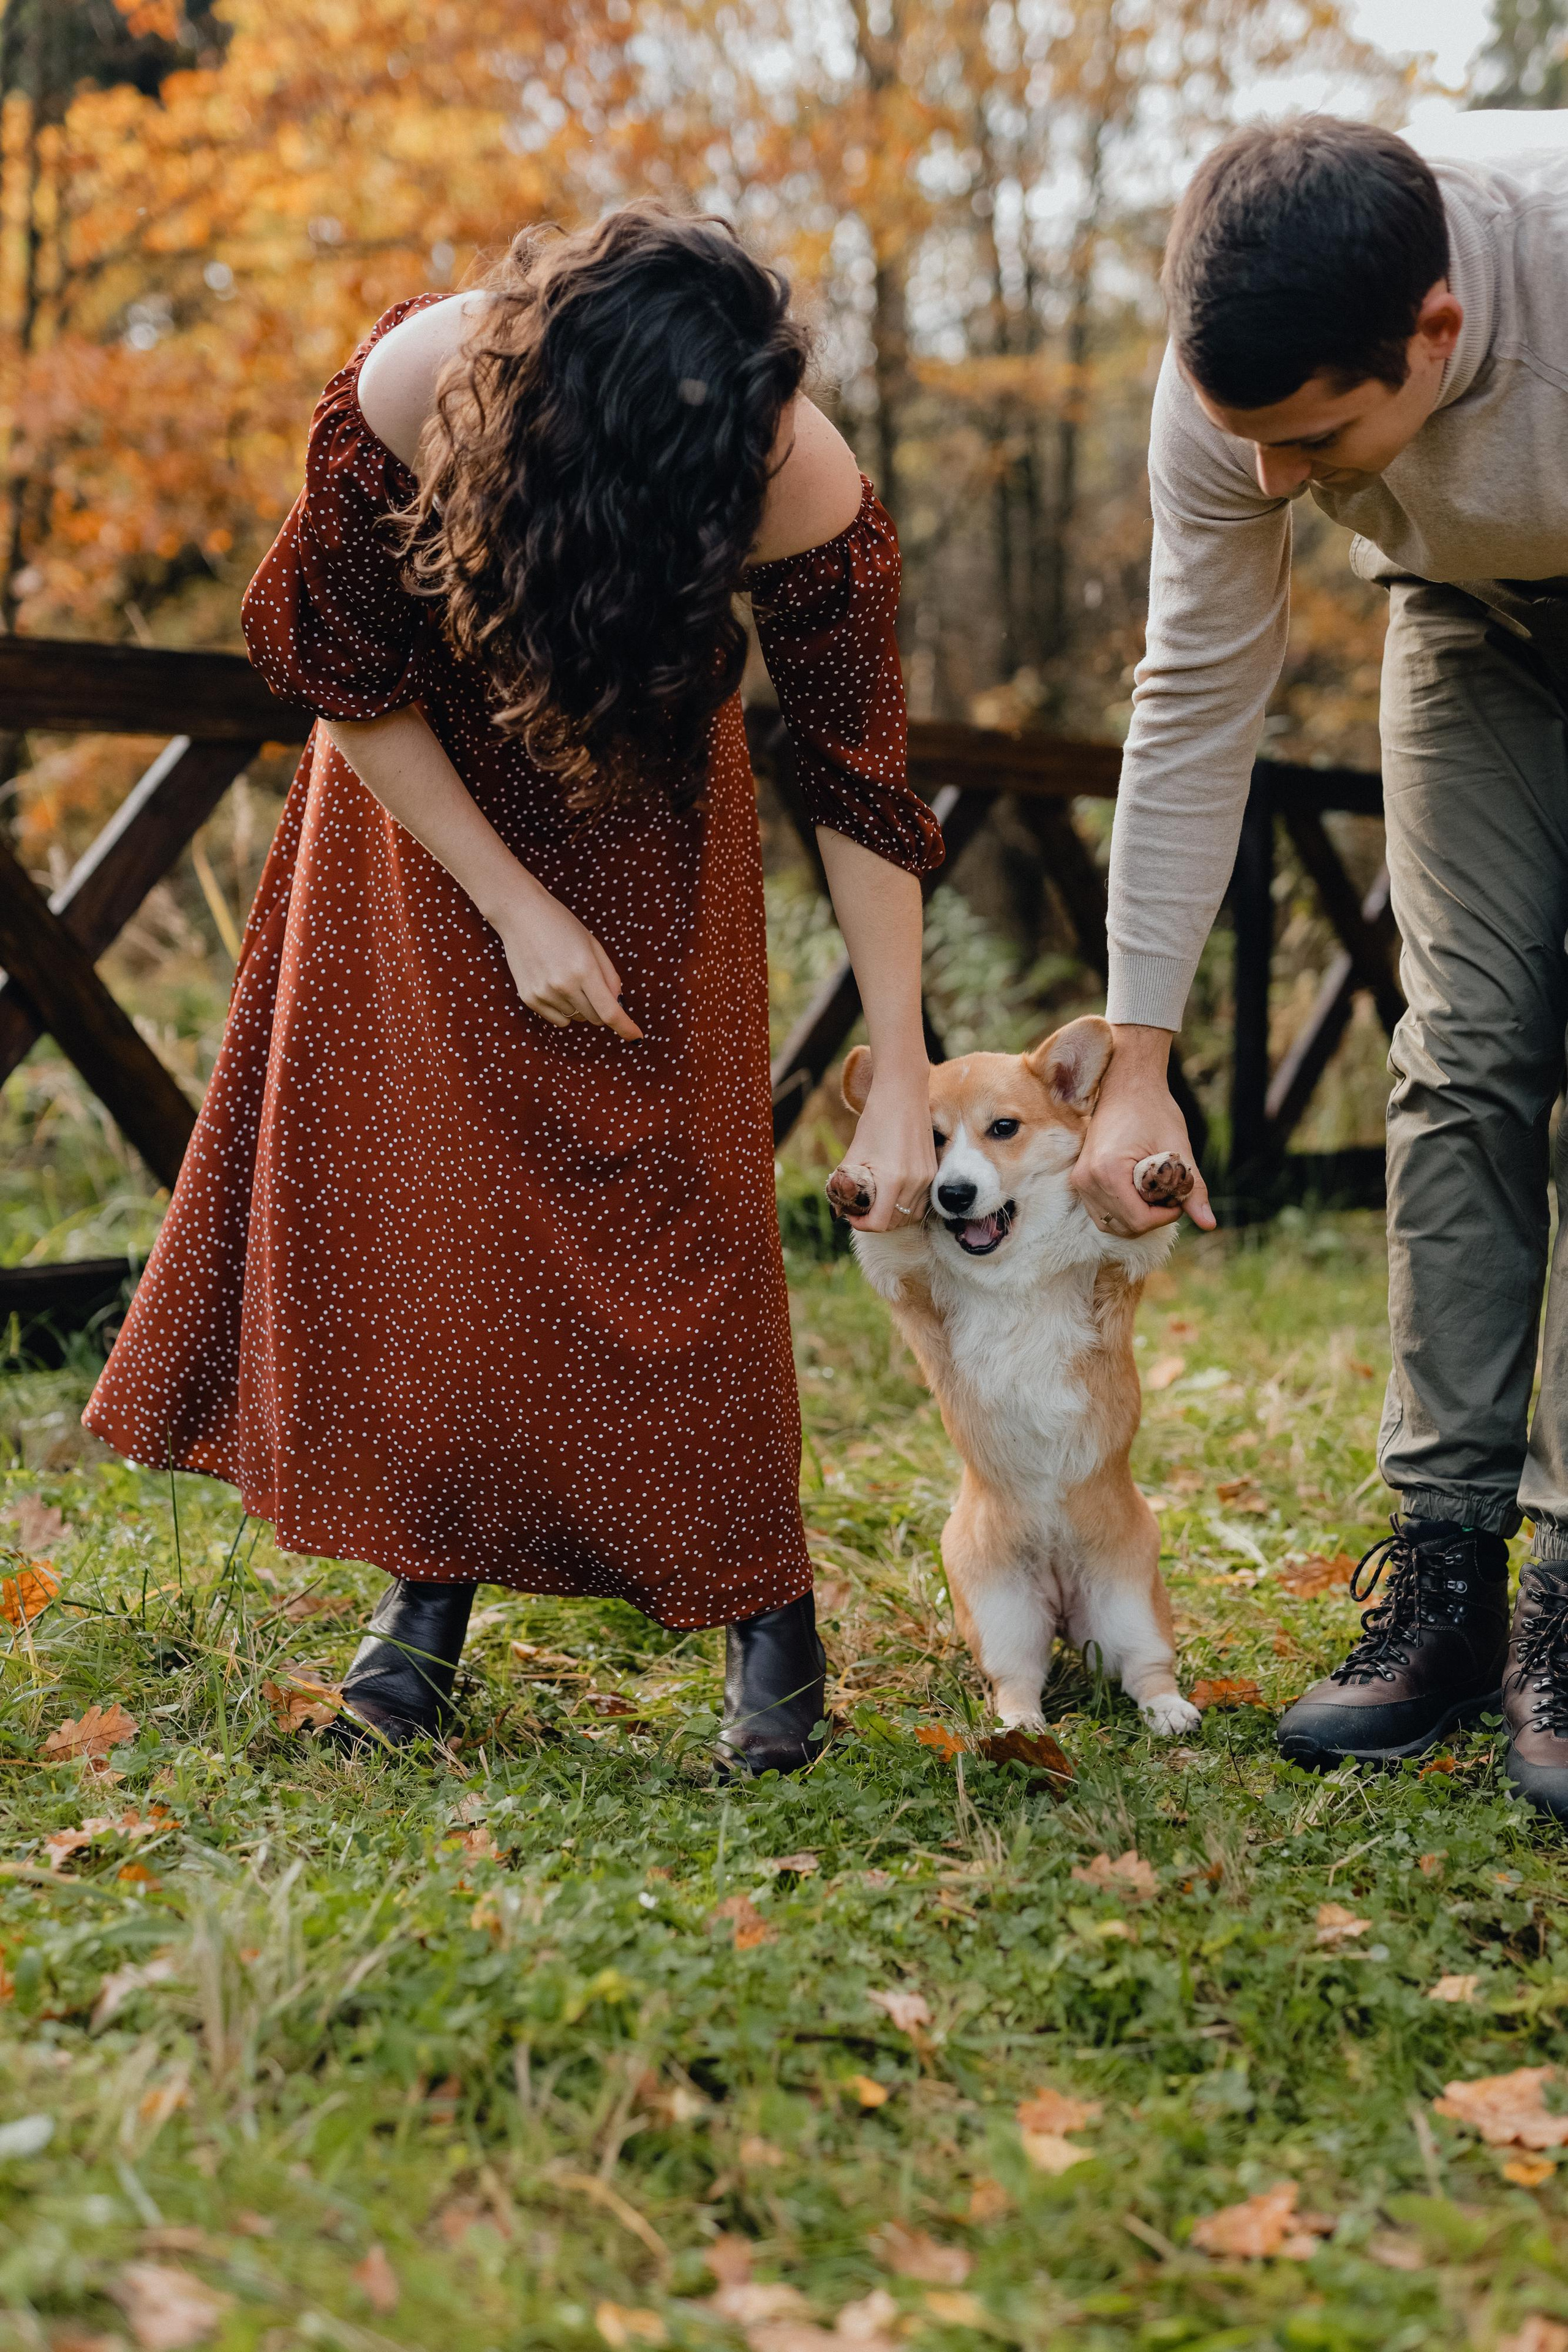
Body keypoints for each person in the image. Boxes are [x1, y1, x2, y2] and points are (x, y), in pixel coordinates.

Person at [84, 203, 942, 1771]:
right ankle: (423, 1609)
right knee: (443, 1208)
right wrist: (508, 904)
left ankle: (766, 1603)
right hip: (420, 804)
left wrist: (896, 1066)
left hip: (646, 810)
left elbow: (859, 777)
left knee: (676, 1204)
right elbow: (343, 669)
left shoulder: (794, 469)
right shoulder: (422, 383)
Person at [1070, 113, 1568, 1816]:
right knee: (1464, 1048)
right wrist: (1138, 1054)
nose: (1277, 485)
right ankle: (1447, 1575)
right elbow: (1198, 695)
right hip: (1466, 617)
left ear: (1436, 331)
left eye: (1316, 441)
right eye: (1248, 442)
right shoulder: (1232, 380)